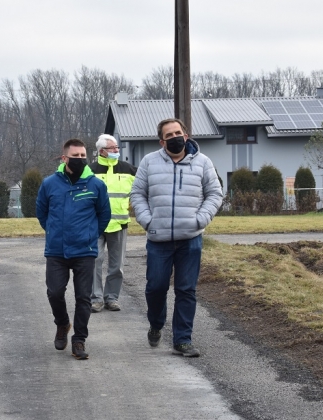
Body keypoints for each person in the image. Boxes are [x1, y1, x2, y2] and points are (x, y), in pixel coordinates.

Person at [129, 118, 224, 357]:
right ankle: (156, 323)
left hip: (190, 239)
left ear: (186, 134)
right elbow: (137, 194)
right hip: (158, 239)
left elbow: (214, 194)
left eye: (178, 133)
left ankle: (183, 340)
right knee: (156, 288)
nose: (175, 138)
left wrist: (200, 220)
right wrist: (147, 220)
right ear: (162, 141)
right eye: (169, 135)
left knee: (186, 290)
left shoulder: (203, 163)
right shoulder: (149, 162)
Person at [36, 138, 111, 360]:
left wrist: (90, 234)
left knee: (83, 297)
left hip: (85, 251)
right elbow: (42, 212)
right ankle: (62, 324)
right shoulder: (49, 184)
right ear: (64, 158)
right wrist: (53, 231)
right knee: (55, 292)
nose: (80, 160)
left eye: (83, 156)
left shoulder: (96, 185)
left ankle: (79, 340)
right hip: (57, 251)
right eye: (75, 156)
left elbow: (104, 214)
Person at [88, 134, 136, 313]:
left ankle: (112, 298)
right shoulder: (89, 171)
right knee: (95, 261)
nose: (117, 150)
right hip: (95, 225)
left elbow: (141, 190)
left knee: (117, 265)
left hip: (119, 224)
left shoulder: (129, 170)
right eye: (113, 148)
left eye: (117, 147)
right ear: (102, 151)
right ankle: (96, 298)